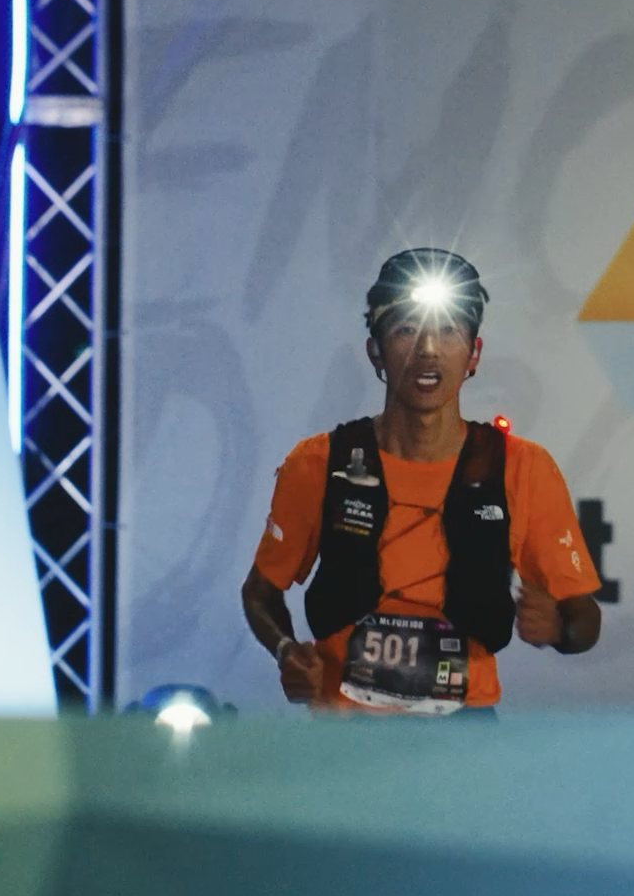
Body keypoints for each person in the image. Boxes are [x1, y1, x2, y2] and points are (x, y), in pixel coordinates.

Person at [241, 248, 602, 714]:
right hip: (342, 734)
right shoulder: (319, 462)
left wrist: (559, 630)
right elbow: (260, 591)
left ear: (474, 354)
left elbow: (585, 618)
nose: (428, 349)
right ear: (375, 351)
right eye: (406, 330)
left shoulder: (522, 468)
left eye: (449, 330)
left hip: (463, 733)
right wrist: (286, 651)